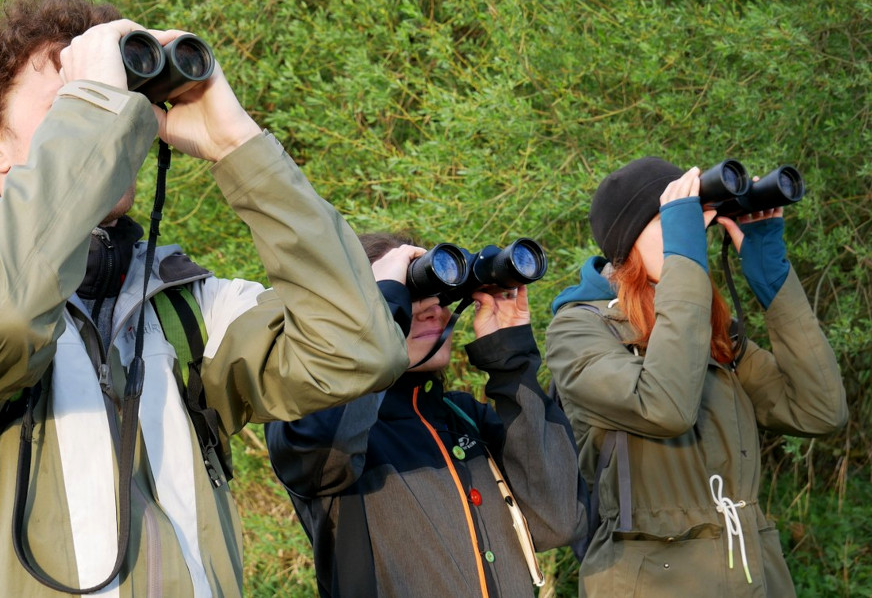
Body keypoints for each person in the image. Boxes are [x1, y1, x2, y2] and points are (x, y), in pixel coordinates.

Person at [0, 0, 409, 597]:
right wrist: (94, 105)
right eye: (70, 104)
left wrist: (237, 144)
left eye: (125, 103)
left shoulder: (187, 309)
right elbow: (3, 313)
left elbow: (359, 347)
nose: (115, 126)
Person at [545, 157, 848, 597]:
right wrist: (683, 262)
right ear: (626, 240)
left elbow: (819, 411)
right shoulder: (577, 330)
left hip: (755, 573)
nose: (689, 233)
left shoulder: (708, 329)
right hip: (654, 581)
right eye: (670, 220)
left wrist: (773, 280)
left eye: (692, 221)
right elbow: (665, 407)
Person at [265, 232, 588, 598]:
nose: (433, 306)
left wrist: (512, 365)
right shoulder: (313, 420)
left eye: (438, 293)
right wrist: (381, 314)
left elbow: (559, 522)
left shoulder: (464, 417)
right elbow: (322, 444)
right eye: (406, 296)